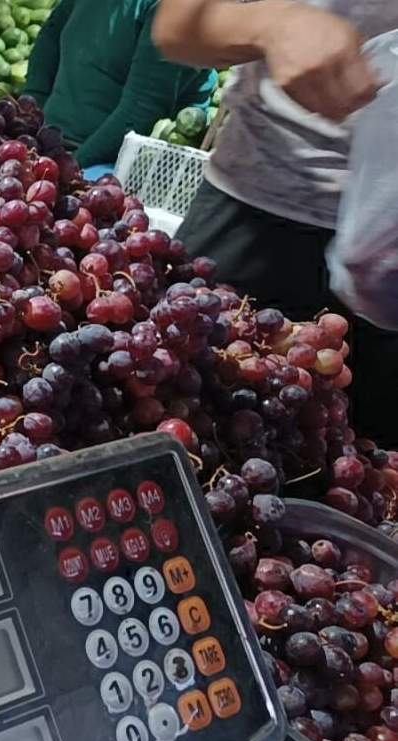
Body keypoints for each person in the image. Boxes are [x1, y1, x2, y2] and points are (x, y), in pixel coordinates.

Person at [152, 0, 398, 444]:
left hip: (390, 270)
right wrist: (271, 24)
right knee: (185, 440)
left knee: (371, 484)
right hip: (256, 226)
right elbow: (177, 24)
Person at [23, 0, 216, 172]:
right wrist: (33, 114)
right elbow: (50, 37)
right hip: (52, 143)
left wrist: (72, 167)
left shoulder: (172, 9)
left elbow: (143, 109)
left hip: (116, 162)